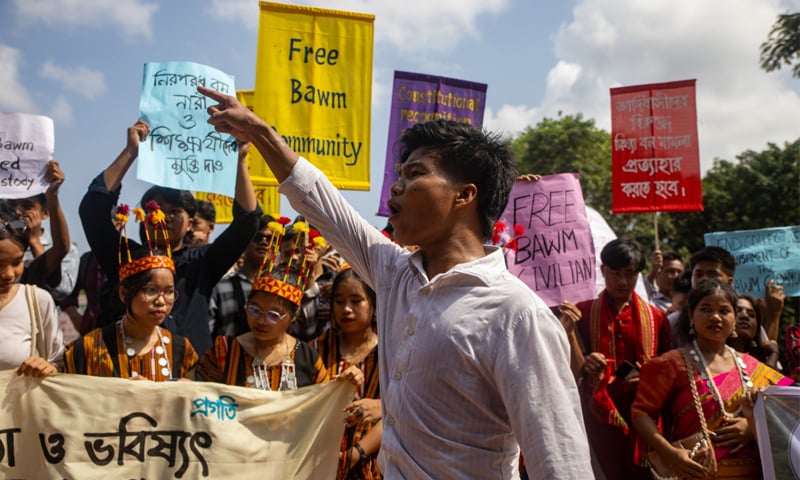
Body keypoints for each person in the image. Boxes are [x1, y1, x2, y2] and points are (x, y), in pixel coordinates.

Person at [198, 85, 593, 479]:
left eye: (415, 174)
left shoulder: (517, 316)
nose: (396, 187)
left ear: (464, 195)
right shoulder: (395, 273)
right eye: (400, 174)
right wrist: (261, 134)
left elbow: (561, 463)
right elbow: (319, 202)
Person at [79, 122, 261, 356]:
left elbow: (247, 223)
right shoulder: (125, 256)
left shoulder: (203, 262)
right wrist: (130, 152)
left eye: (174, 211)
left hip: (189, 379)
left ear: (191, 224)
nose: (161, 217)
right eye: (154, 209)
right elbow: (92, 211)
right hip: (127, 377)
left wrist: (239, 161)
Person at [632, 279, 793, 479]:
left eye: (724, 311)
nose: (715, 317)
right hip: (695, 471)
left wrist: (752, 427)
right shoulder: (671, 364)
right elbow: (641, 413)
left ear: (734, 318)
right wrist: (670, 454)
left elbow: (789, 406)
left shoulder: (752, 366)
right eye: (706, 309)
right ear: (691, 315)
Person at [566, 237, 671, 480]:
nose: (622, 281)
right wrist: (584, 356)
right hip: (597, 418)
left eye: (630, 273)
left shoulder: (657, 318)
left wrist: (648, 378)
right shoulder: (582, 312)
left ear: (639, 274)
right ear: (602, 270)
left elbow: (669, 373)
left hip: (643, 419)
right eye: (614, 273)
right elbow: (571, 369)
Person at [65, 204, 198, 380]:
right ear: (124, 293)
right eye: (151, 290)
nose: (160, 301)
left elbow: (196, 399)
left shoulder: (181, 349)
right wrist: (44, 368)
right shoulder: (90, 347)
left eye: (169, 292)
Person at [192, 267, 342, 390]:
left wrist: (346, 384)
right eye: (254, 310)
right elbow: (198, 392)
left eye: (273, 315)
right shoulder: (224, 350)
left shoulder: (307, 357)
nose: (262, 321)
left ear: (293, 315)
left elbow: (326, 402)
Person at [313, 268, 382, 480]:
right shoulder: (315, 349)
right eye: (339, 301)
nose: (346, 309)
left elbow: (400, 412)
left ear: (373, 304)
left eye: (356, 300)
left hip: (377, 465)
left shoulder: (391, 353)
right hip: (320, 461)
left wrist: (356, 453)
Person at [0, 202, 65, 378]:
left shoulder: (37, 301)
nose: (8, 275)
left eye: (16, 262)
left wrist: (49, 367)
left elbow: (59, 362)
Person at [7, 160, 78, 301]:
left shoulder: (68, 249)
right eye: (12, 205)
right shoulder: (4, 244)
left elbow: (62, 291)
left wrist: (34, 242)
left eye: (27, 206)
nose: (17, 211)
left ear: (45, 213)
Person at [728, 294, 780, 369]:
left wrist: (774, 354)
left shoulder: (758, 361)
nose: (745, 316)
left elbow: (766, 380)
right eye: (737, 311)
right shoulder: (712, 357)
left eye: (751, 315)